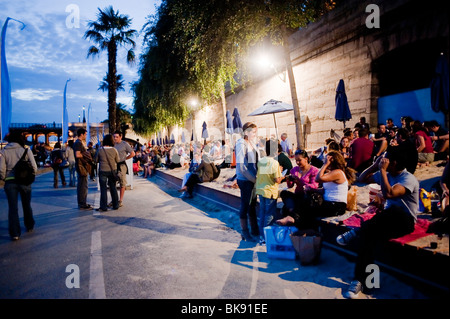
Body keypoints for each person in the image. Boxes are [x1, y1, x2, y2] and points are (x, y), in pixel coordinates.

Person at [337, 147, 419, 299]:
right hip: (386, 220)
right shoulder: (386, 173)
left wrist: (382, 171)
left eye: (387, 159)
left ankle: (357, 232)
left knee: (394, 212)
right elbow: (361, 178)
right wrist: (375, 166)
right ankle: (365, 282)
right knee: (368, 240)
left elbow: (389, 194)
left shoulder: (408, 178)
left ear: (394, 162)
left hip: (404, 221)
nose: (384, 162)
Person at [0, 132, 38, 241]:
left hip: (10, 182)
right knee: (27, 204)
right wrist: (29, 176)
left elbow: (1, 170)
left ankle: (15, 233)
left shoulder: (3, 151)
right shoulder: (26, 150)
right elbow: (34, 167)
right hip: (25, 182)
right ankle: (29, 225)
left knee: (13, 208)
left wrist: (5, 177)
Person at [277, 149, 320, 226]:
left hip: (308, 196)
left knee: (303, 200)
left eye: (299, 160)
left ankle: (292, 215)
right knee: (284, 193)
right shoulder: (295, 169)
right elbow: (290, 186)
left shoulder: (314, 170)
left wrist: (300, 182)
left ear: (306, 159)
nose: (297, 163)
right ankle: (293, 212)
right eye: (296, 160)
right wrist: (289, 179)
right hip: (298, 195)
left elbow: (315, 186)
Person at [235, 122, 260, 241]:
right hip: (245, 180)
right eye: (253, 132)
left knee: (252, 205)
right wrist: (254, 180)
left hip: (252, 179)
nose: (255, 134)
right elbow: (241, 168)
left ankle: (255, 229)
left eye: (255, 132)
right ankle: (245, 231)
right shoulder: (241, 144)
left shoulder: (252, 143)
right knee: (245, 205)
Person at [255, 139, 283, 244]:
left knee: (262, 213)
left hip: (261, 190)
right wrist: (282, 175)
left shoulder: (261, 161)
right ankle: (266, 238)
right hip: (270, 191)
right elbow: (277, 180)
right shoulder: (275, 163)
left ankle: (261, 235)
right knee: (269, 215)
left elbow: (265, 174)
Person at [95, 134, 120, 211]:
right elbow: (118, 160)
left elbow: (96, 160)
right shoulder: (114, 150)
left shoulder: (100, 150)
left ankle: (103, 207)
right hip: (113, 171)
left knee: (103, 189)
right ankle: (116, 205)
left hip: (103, 170)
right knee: (113, 188)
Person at [112, 131, 135, 207]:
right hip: (113, 165)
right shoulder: (113, 144)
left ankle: (120, 200)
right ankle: (114, 200)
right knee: (112, 183)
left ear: (120, 137)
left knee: (122, 182)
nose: (115, 138)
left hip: (121, 165)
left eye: (117, 137)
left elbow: (132, 153)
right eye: (114, 137)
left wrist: (125, 158)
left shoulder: (125, 144)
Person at [74, 128, 93, 210]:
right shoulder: (78, 143)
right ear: (81, 134)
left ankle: (82, 202)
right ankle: (82, 204)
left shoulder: (78, 143)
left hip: (81, 166)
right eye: (85, 134)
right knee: (83, 186)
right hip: (81, 166)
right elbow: (77, 155)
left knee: (82, 185)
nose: (86, 135)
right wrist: (86, 155)